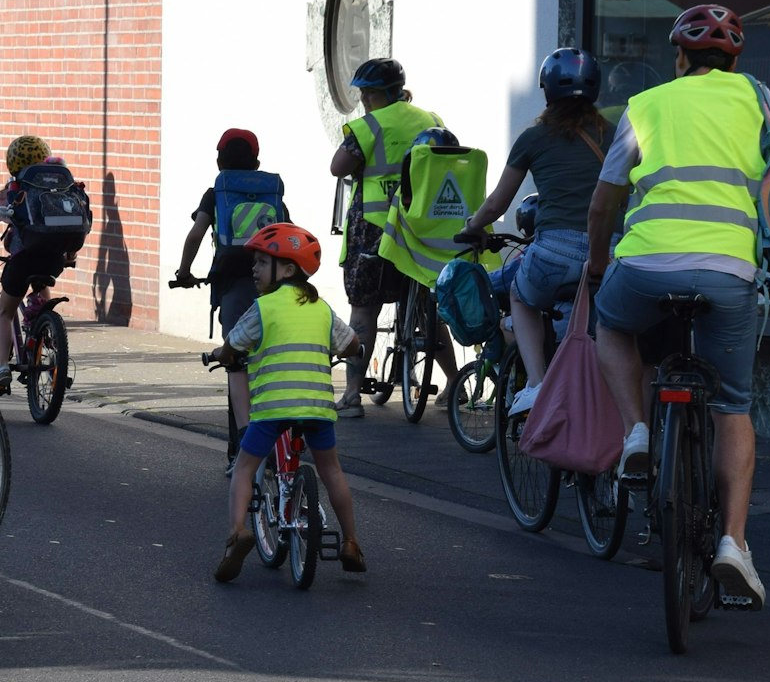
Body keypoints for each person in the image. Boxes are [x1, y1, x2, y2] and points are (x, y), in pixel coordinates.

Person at [585, 3, 770, 610]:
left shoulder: (648, 105)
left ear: (679, 57)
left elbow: (603, 202)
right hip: (729, 272)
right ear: (734, 59)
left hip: (644, 266)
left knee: (611, 328)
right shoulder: (759, 99)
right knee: (732, 406)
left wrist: (596, 264)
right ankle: (733, 544)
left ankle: (638, 431)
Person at [207, 222, 367, 582]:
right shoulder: (322, 310)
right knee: (332, 471)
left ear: (288, 269)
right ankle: (352, 542)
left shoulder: (263, 308)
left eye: (262, 263)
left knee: (244, 467)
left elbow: (234, 345)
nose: (254, 270)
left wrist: (223, 353)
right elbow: (352, 344)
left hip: (272, 411)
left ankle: (238, 534)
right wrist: (357, 350)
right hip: (316, 409)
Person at [461, 48, 612, 417]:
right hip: (608, 249)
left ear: (546, 91)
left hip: (555, 251)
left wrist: (473, 227)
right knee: (610, 326)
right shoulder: (614, 132)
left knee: (521, 297)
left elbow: (497, 202)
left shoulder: (534, 138)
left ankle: (536, 385)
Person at [328, 57, 443, 417]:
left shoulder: (369, 126)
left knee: (363, 309)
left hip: (375, 230)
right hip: (421, 226)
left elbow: (337, 168)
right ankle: (454, 381)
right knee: (426, 305)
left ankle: (351, 396)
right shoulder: (432, 120)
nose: (364, 100)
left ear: (385, 94)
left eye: (368, 93)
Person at [173, 128, 289, 451]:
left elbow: (197, 234)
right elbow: (288, 232)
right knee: (271, 358)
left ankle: (241, 449)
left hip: (232, 283)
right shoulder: (272, 193)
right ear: (256, 161)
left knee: (236, 360)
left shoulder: (216, 193)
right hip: (273, 285)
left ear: (220, 160)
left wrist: (184, 272)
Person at [0, 135, 82, 393]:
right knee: (41, 290)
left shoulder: (13, 192)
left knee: (5, 311)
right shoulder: (59, 189)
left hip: (22, 260)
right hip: (54, 259)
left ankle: (1, 368)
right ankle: (51, 350)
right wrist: (69, 253)